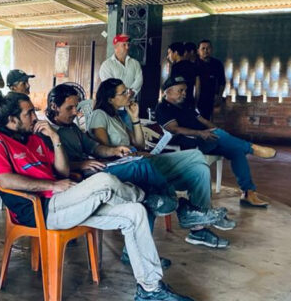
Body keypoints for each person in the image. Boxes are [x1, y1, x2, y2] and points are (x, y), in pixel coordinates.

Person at [0, 92, 195, 301]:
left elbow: (62, 170)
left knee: (135, 212)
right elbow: (3, 178)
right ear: (12, 119)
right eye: (28, 113)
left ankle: (150, 287)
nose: (35, 117)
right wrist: (51, 186)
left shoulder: (35, 137)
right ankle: (149, 197)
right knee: (103, 181)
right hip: (41, 210)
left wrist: (55, 139)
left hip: (65, 201)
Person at [47, 84, 226, 260]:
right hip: (86, 177)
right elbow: (54, 167)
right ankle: (179, 207)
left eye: (75, 107)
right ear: (54, 106)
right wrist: (81, 164)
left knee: (152, 186)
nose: (75, 112)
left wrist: (115, 150)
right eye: (69, 108)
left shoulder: (73, 128)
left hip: (100, 165)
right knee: (142, 166)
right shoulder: (48, 132)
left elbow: (96, 147)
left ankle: (149, 242)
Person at [88, 78, 234, 248]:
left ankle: (198, 229)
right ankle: (188, 213)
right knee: (195, 156)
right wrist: (136, 153)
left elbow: (139, 143)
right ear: (110, 98)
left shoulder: (118, 116)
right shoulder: (99, 115)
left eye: (127, 90)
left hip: (140, 157)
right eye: (123, 92)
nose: (129, 94)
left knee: (201, 170)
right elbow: (105, 152)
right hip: (132, 165)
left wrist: (134, 118)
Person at [156, 76, 277, 208]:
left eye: (185, 90)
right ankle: (252, 148)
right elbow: (174, 129)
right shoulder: (163, 108)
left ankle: (248, 193)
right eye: (180, 90)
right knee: (221, 136)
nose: (184, 94)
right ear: (168, 91)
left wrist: (214, 129)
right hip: (190, 143)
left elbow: (203, 121)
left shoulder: (187, 105)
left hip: (206, 139)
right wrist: (201, 133)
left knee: (235, 151)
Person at [99, 34, 143, 98]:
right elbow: (108, 84)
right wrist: (123, 94)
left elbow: (139, 80)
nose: (127, 47)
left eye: (128, 45)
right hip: (114, 105)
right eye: (124, 45)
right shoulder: (106, 65)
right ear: (116, 47)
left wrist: (132, 91)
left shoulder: (135, 63)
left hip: (130, 103)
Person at [196, 40, 226, 121]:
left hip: (210, 96)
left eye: (208, 48)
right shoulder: (194, 63)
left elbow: (222, 82)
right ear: (198, 50)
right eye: (203, 48)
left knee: (207, 120)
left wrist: (219, 96)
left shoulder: (217, 64)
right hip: (195, 97)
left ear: (211, 50)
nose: (206, 50)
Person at [167, 42, 197, 108]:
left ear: (176, 53)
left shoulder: (176, 67)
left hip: (178, 102)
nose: (168, 56)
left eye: (169, 53)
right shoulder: (193, 66)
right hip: (190, 100)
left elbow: (173, 86)